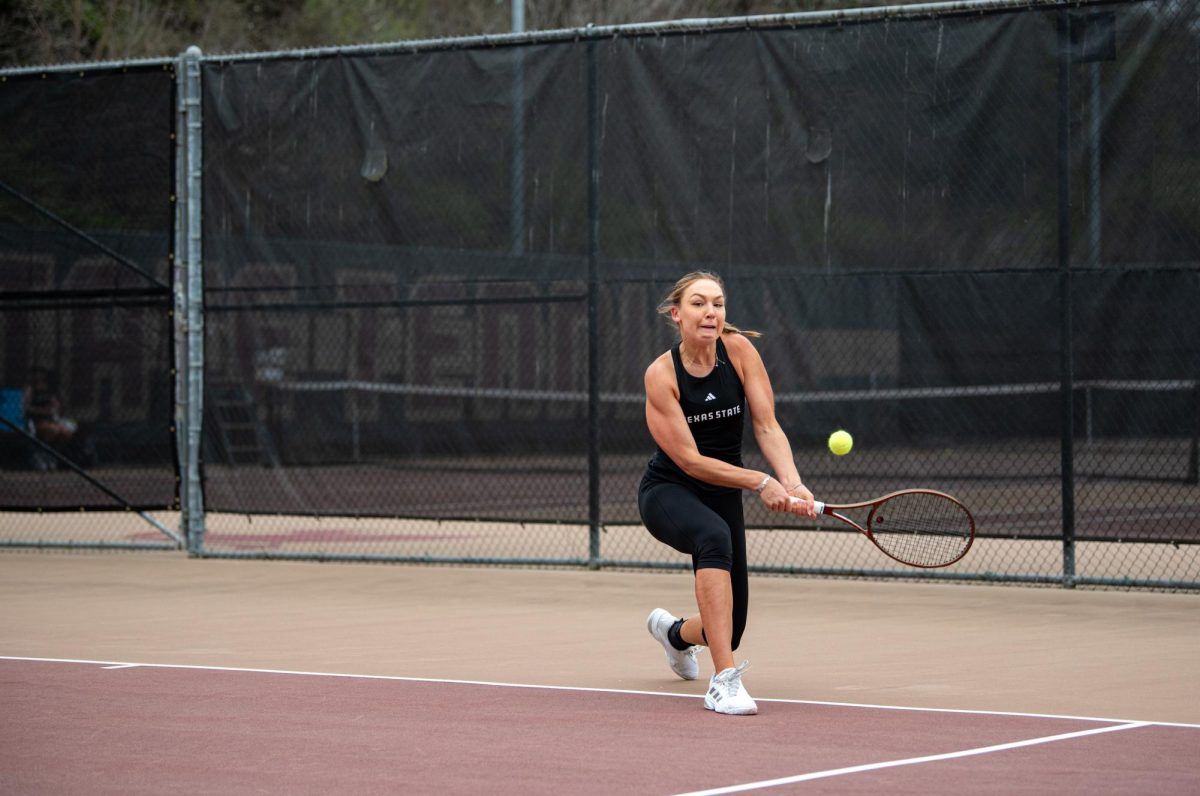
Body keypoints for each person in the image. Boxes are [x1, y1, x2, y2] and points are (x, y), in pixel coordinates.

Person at [638, 271, 816, 716]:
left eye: (717, 304)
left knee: (729, 629)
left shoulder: (738, 352)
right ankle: (723, 682)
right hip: (670, 491)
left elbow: (767, 425)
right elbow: (692, 461)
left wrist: (791, 483)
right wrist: (759, 481)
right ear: (677, 314)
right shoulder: (661, 375)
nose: (710, 312)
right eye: (699, 304)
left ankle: (674, 635)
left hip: (722, 494)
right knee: (713, 537)